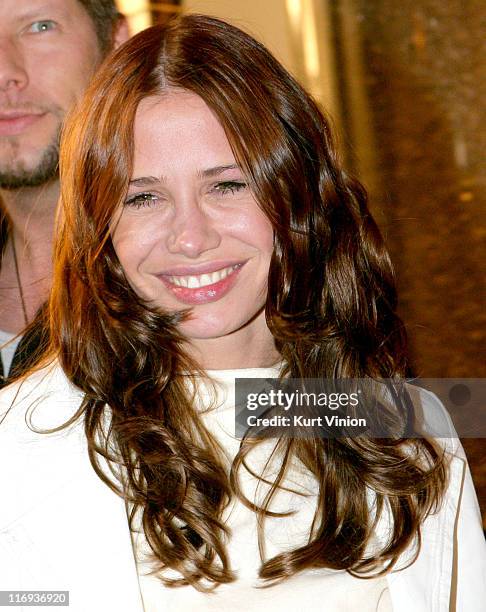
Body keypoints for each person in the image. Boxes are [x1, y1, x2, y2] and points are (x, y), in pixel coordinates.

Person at [0, 14, 485, 612]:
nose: (191, 236)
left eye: (226, 185)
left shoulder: (408, 427)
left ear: (298, 193)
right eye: (144, 196)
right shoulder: (17, 444)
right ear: (101, 226)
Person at [0, 0, 128, 385]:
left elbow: (306, 422)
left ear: (115, 44)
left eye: (40, 26)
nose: (5, 72)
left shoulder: (200, 258)